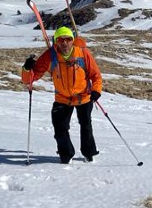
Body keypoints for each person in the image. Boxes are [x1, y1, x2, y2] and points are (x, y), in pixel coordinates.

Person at [21, 26, 103, 163]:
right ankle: (66, 155)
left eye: (68, 39)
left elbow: (96, 75)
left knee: (86, 125)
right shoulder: (50, 56)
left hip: (83, 96)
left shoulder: (83, 54)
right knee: (60, 127)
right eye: (60, 39)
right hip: (62, 98)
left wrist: (96, 90)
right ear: (56, 42)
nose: (64, 43)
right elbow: (29, 79)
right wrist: (27, 68)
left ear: (72, 40)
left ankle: (89, 153)